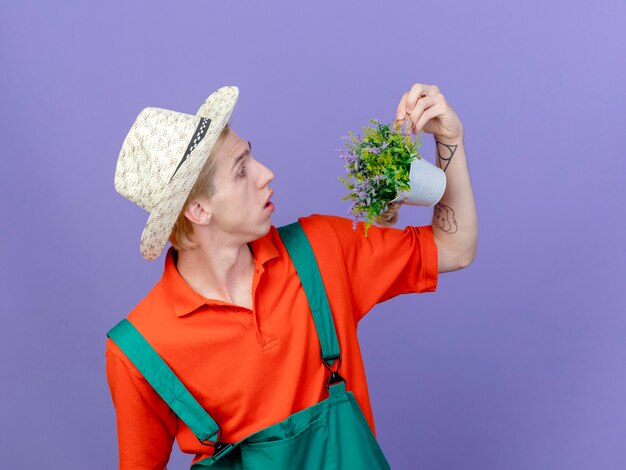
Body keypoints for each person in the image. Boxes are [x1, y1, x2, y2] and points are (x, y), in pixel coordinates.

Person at [106, 84, 478, 469]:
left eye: (252, 157)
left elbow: (453, 247)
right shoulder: (139, 351)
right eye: (241, 171)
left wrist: (449, 138)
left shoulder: (320, 250)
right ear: (199, 210)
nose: (266, 174)